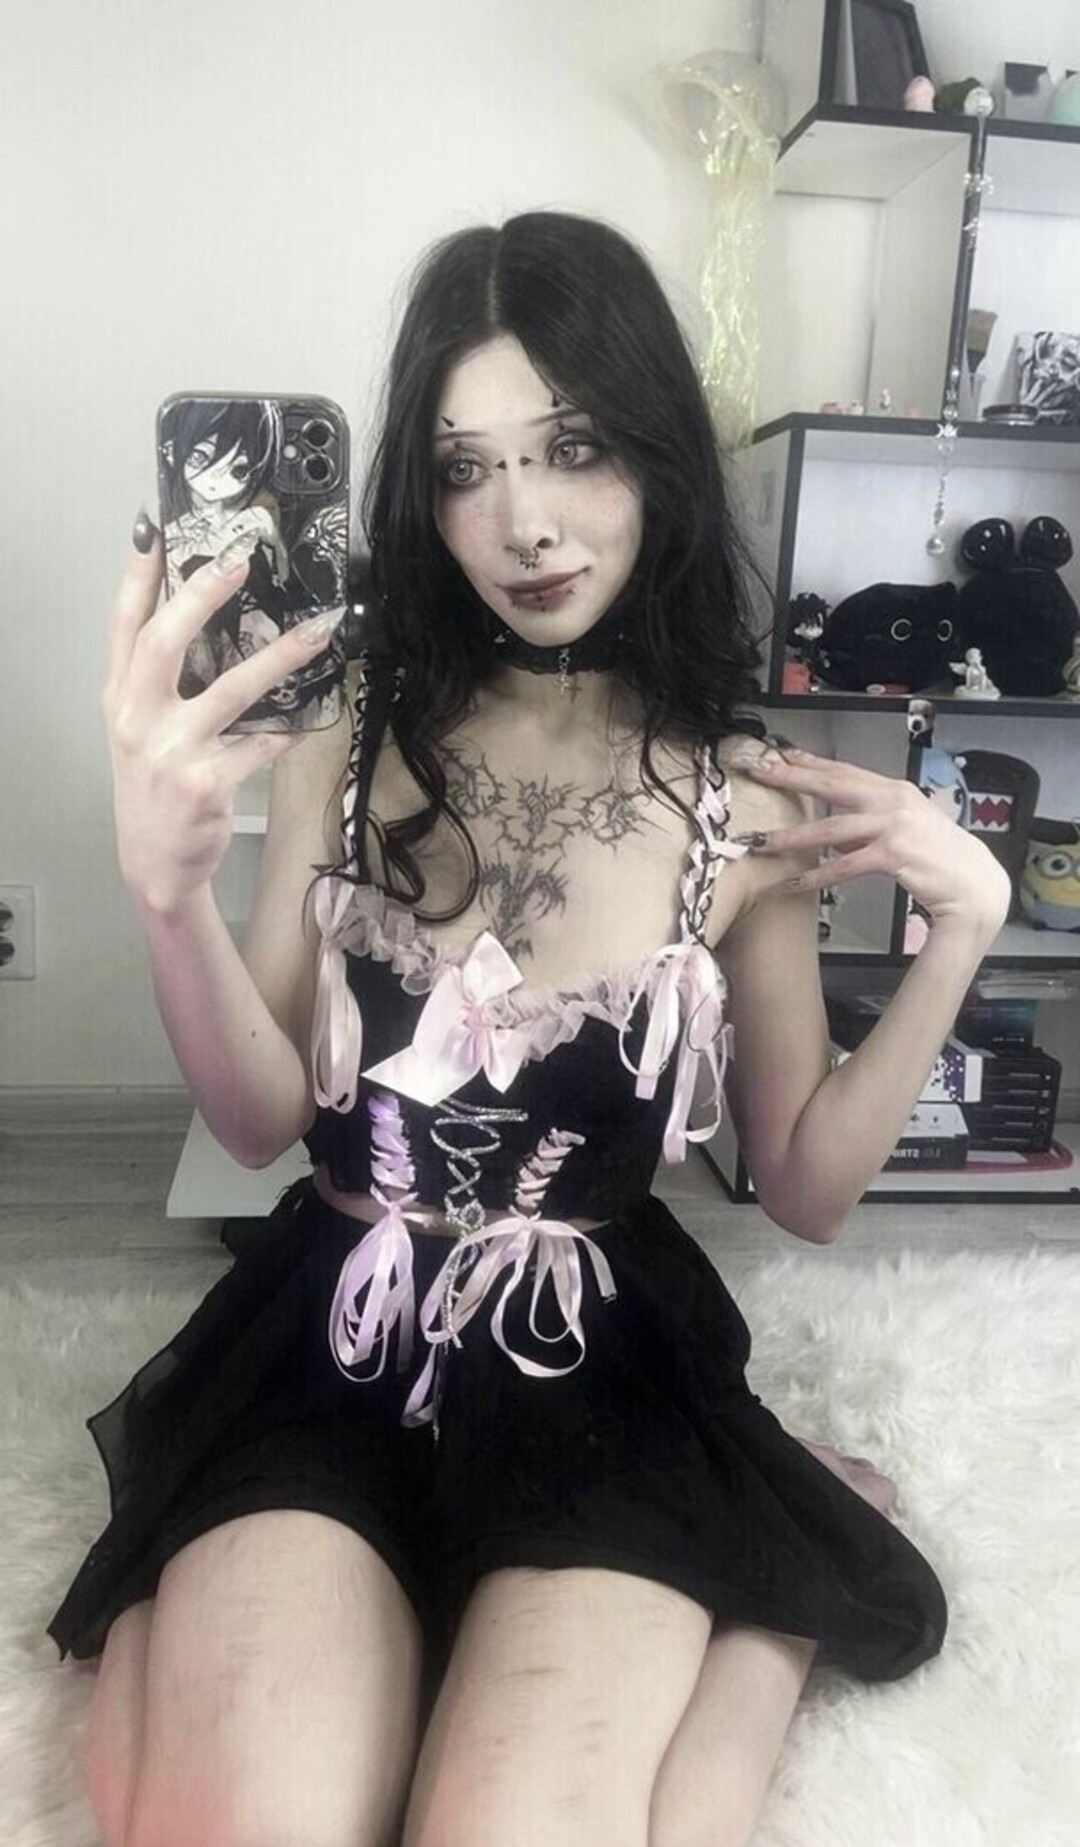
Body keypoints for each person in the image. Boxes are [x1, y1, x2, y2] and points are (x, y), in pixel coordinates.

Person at [48, 211, 1010, 1847]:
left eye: (572, 447)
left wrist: (962, 933)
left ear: (655, 452)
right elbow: (260, 1111)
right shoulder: (342, 730)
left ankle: (763, 1631)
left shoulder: (745, 795)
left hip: (597, 1372)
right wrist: (168, 895)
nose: (526, 523)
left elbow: (805, 1186)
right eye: (464, 469)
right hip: (330, 1341)